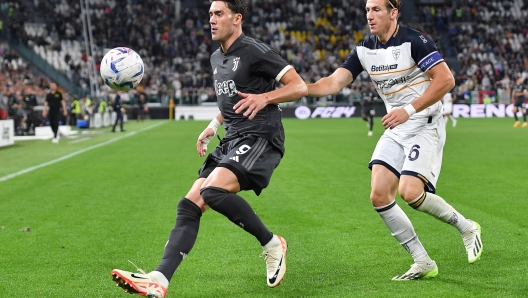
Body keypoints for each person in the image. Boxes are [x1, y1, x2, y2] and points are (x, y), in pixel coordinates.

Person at [110, 1, 307, 297]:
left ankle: (272, 244)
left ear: (236, 18)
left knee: (212, 191)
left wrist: (264, 98)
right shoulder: (217, 57)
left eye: (218, 14)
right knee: (189, 205)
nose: (212, 20)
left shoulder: (255, 51)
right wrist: (213, 126)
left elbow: (299, 86)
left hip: (260, 136)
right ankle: (159, 280)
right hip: (232, 137)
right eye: (210, 15)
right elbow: (229, 100)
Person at [306, 0, 482, 280]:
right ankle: (422, 261)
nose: (370, 15)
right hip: (396, 128)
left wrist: (409, 109)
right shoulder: (364, 49)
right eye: (367, 10)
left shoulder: (414, 41)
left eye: (376, 9)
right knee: (379, 195)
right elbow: (334, 82)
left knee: (410, 193)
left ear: (393, 13)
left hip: (424, 124)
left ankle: (466, 227)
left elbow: (446, 80)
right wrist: (300, 87)